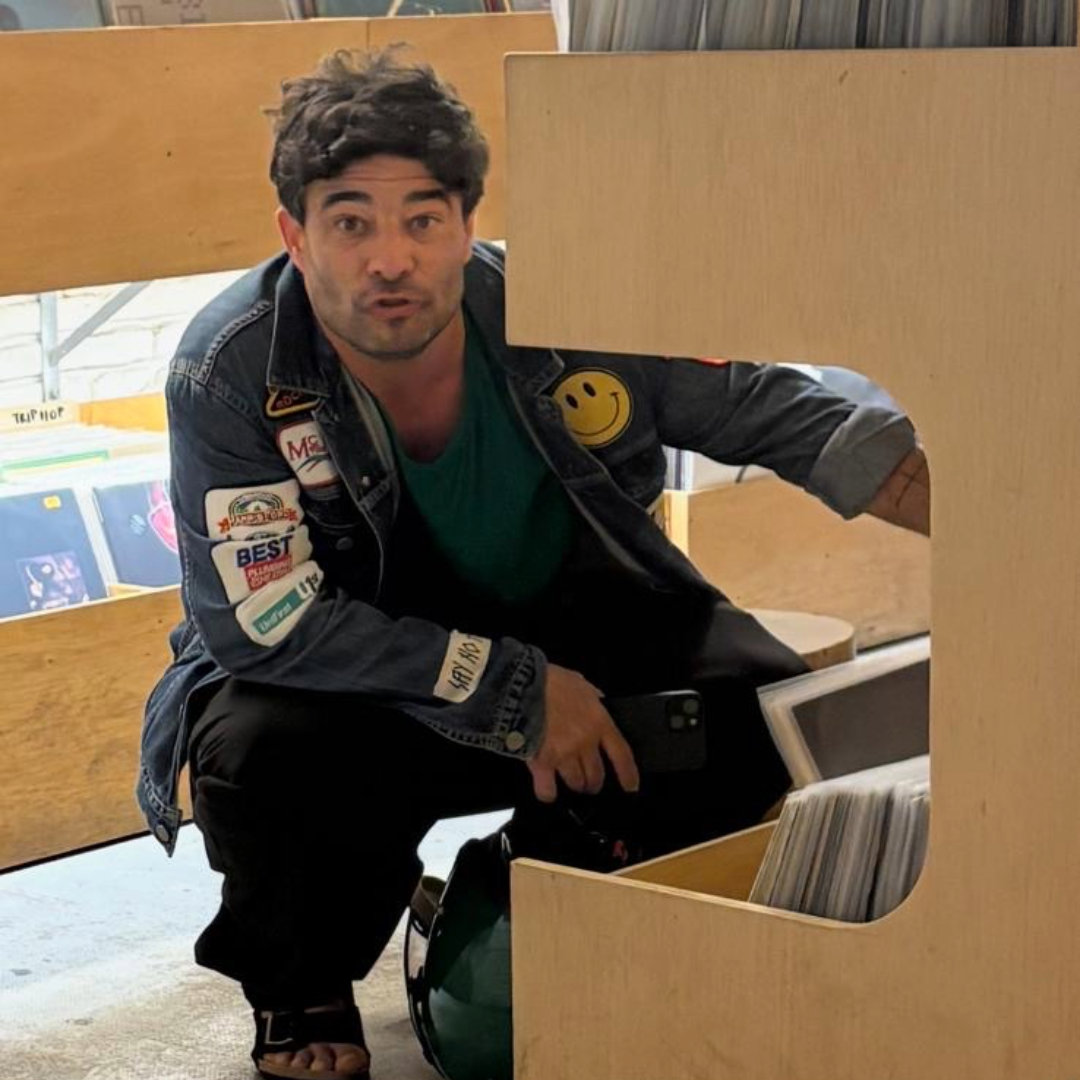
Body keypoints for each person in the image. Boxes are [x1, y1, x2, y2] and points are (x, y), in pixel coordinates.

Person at [137, 47, 929, 1080]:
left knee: (759, 710)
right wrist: (510, 691)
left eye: (424, 219)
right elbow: (265, 622)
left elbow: (767, 409)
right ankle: (304, 982)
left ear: (469, 223)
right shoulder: (228, 369)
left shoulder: (573, 304)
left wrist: (996, 516)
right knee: (257, 756)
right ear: (295, 234)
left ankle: (531, 888)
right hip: (361, 674)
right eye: (351, 222)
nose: (391, 259)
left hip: (577, 619)